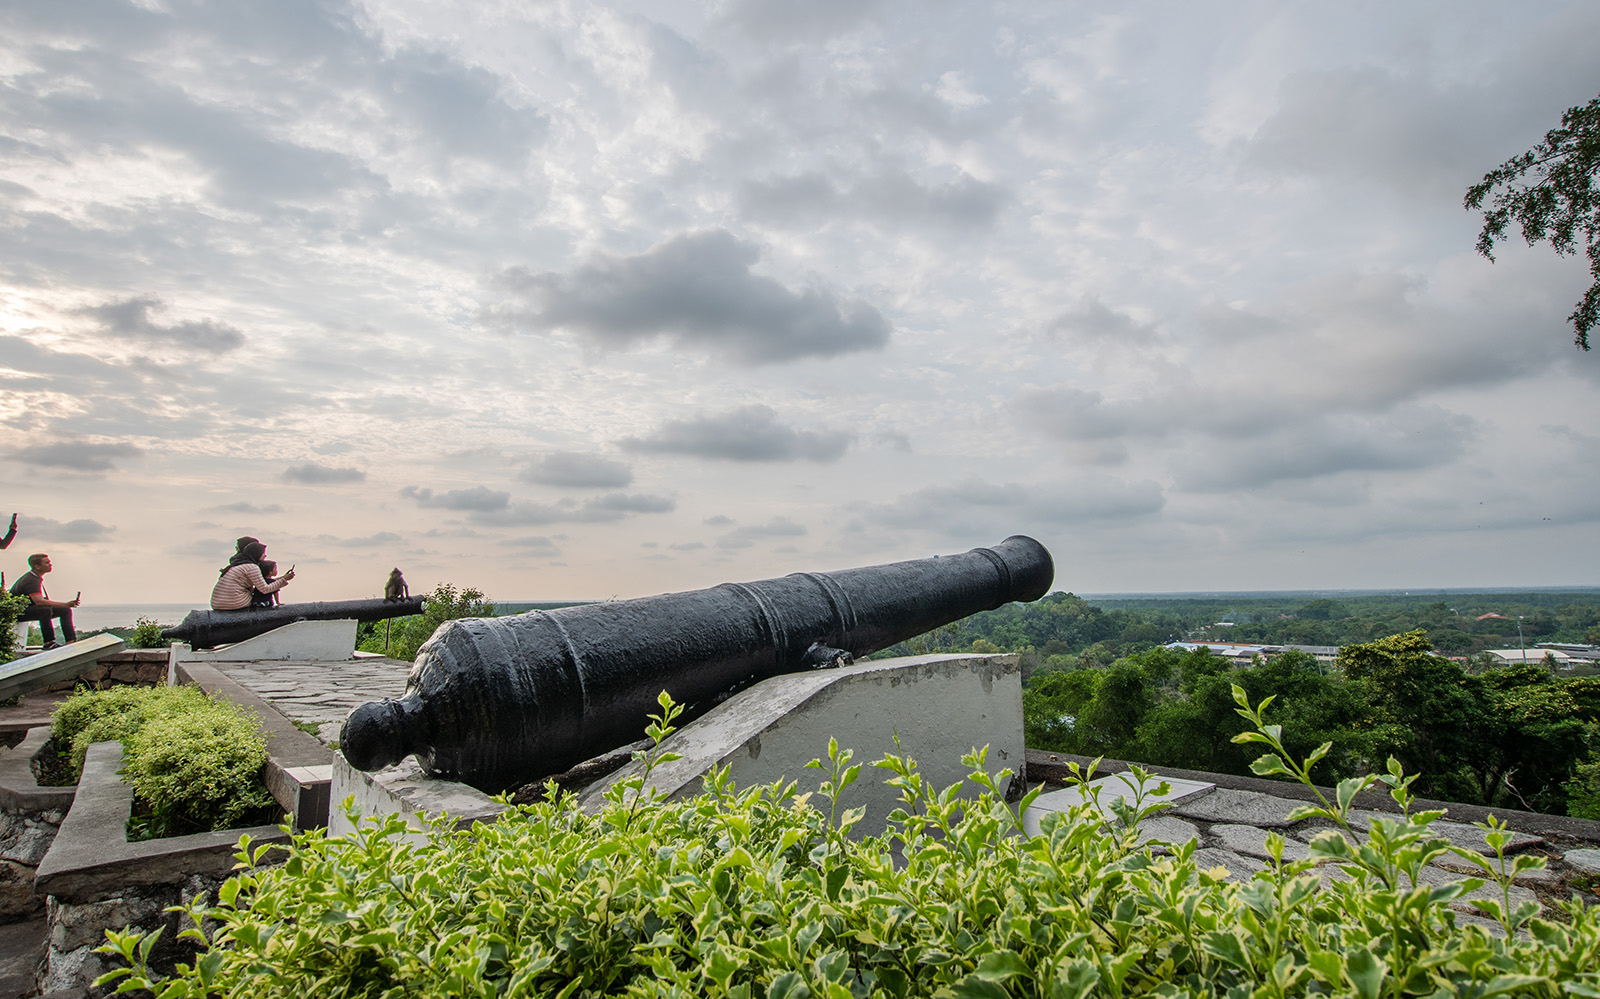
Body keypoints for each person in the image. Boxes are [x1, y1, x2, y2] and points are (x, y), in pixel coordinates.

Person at [9, 553, 78, 649]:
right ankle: (48, 642)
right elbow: (39, 602)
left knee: (65, 610)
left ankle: (70, 641)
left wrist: (65, 606)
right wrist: (66, 604)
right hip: (17, 612)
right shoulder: (31, 580)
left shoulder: (34, 578)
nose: (50, 564)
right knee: (45, 610)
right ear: (37, 566)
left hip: (26, 609)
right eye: (46, 563)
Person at [210, 541, 295, 611]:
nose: (265, 556)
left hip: (218, 603)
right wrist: (283, 579)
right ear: (256, 554)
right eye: (263, 553)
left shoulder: (240, 565)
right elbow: (265, 589)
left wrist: (283, 578)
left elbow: (263, 583)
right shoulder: (252, 567)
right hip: (234, 603)